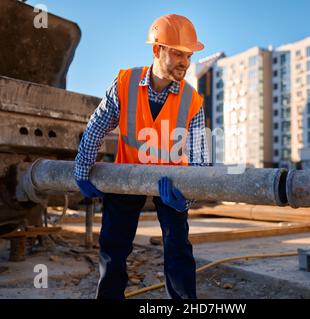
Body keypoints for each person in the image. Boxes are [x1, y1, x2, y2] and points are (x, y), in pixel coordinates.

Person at [74, 14, 209, 299]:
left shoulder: (192, 100)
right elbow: (97, 125)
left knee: (178, 250)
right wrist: (82, 169)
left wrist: (188, 197)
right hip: (128, 175)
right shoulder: (125, 82)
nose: (184, 62)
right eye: (177, 53)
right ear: (156, 50)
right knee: (113, 248)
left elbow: (200, 158)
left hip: (171, 182)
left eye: (188, 55)